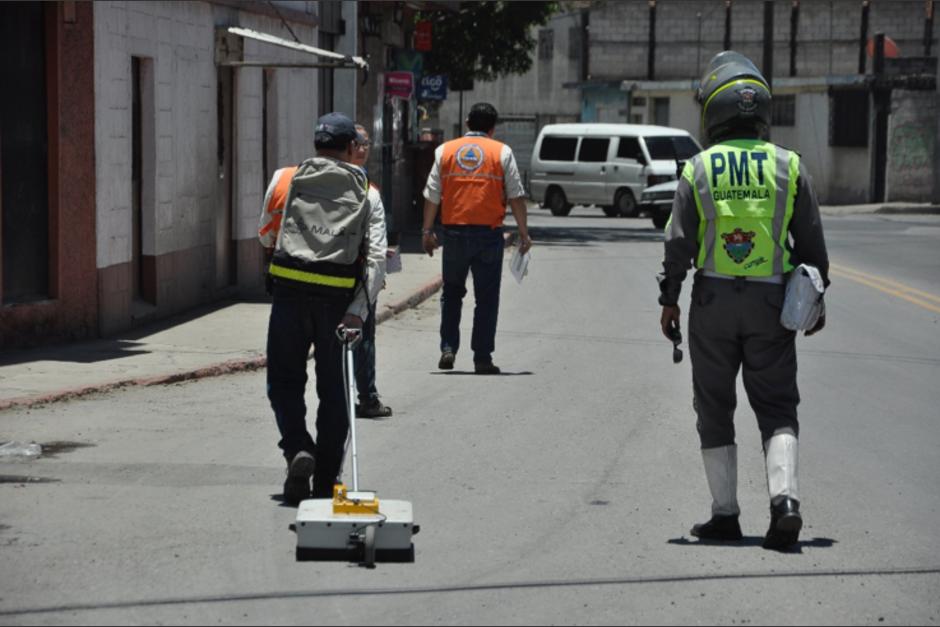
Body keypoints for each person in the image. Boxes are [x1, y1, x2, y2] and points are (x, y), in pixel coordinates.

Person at [657, 51, 830, 551]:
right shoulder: (789, 166)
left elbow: (678, 243)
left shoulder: (698, 168)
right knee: (777, 406)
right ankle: (785, 504)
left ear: (714, 112)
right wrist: (817, 302)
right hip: (771, 303)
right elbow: (813, 248)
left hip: (712, 301)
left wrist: (669, 298)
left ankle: (725, 515)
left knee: (714, 405)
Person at [258, 112, 385, 504]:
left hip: (289, 295)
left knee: (283, 381)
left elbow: (265, 234)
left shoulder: (285, 179)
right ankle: (327, 479)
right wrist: (358, 311)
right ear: (351, 148)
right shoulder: (367, 191)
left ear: (315, 144)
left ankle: (298, 448)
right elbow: (376, 260)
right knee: (334, 391)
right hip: (338, 302)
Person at [421, 102, 532, 374]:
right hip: (488, 235)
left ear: (467, 123)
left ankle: (448, 347)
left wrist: (427, 231)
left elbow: (432, 194)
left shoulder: (445, 151)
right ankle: (482, 358)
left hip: (454, 233)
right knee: (487, 298)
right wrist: (524, 233)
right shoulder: (501, 152)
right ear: (493, 128)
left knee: (452, 293)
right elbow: (516, 196)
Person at [350, 123, 392, 419]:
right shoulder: (364, 188)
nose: (363, 148)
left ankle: (361, 396)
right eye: (357, 142)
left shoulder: (368, 184)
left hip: (355, 272)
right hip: (355, 276)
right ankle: (365, 397)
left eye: (366, 143)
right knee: (362, 336)